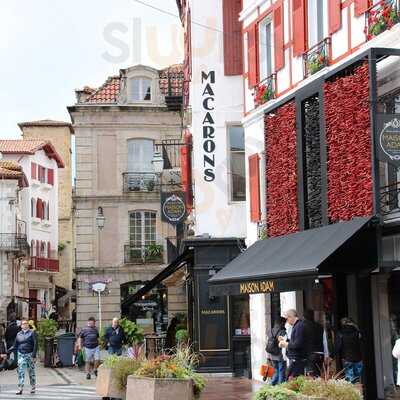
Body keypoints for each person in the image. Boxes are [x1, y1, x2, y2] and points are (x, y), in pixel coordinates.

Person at [9, 319, 38, 395]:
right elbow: (15, 345)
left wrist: (34, 355)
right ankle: (20, 388)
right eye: (23, 324)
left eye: (26, 323)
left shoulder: (32, 332)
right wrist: (8, 351)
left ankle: (33, 387)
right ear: (21, 326)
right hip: (21, 354)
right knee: (21, 371)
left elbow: (35, 344)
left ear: (28, 325)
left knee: (31, 371)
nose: (25, 325)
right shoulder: (18, 334)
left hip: (30, 354)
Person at [278, 309, 307, 379]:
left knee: (291, 379)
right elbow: (294, 341)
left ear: (291, 317)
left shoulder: (299, 326)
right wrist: (285, 340)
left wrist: (286, 344)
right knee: (289, 378)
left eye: (287, 318)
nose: (287, 321)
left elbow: (298, 344)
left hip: (297, 360)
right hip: (295, 359)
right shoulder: (296, 326)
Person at [333, 317, 363, 383]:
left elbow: (338, 347)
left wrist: (334, 356)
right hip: (359, 358)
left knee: (350, 379)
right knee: (358, 379)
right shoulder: (358, 332)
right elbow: (362, 344)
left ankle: (353, 392)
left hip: (347, 358)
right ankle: (359, 392)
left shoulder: (340, 333)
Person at [303, 309, 326, 377]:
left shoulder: (303, 326)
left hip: (310, 354)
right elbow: (324, 341)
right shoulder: (320, 327)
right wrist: (326, 355)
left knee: (311, 377)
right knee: (318, 375)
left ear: (304, 316)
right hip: (320, 354)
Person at [266, 317, 287, 385]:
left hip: (272, 354)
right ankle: (280, 386)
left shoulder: (270, 330)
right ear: (282, 323)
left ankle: (271, 385)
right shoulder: (282, 331)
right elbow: (284, 343)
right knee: (281, 371)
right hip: (280, 354)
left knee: (276, 370)